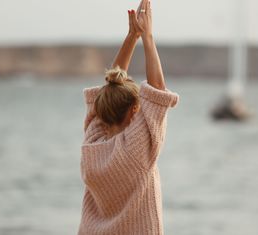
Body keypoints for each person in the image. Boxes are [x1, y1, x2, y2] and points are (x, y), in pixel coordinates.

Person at [77, 0, 179, 234]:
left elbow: (112, 85)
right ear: (134, 110)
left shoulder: (91, 145)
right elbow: (158, 91)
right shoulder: (137, 149)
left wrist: (132, 36)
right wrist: (148, 38)